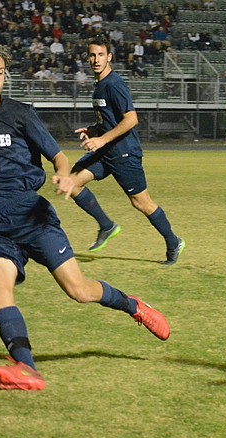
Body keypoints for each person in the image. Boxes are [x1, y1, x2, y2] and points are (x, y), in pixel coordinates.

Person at [0, 40, 170, 391]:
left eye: (0, 73)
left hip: (32, 217)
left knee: (78, 291)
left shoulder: (20, 114)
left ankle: (133, 305)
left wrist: (65, 175)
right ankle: (26, 368)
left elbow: (57, 155)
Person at [67, 35, 185, 265]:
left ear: (109, 57)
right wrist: (94, 130)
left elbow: (131, 119)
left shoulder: (114, 84)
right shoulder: (100, 85)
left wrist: (101, 140)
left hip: (123, 152)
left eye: (101, 55)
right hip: (106, 152)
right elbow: (110, 120)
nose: (96, 59)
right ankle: (106, 225)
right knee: (71, 182)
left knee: (141, 203)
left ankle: (173, 242)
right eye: (92, 55)